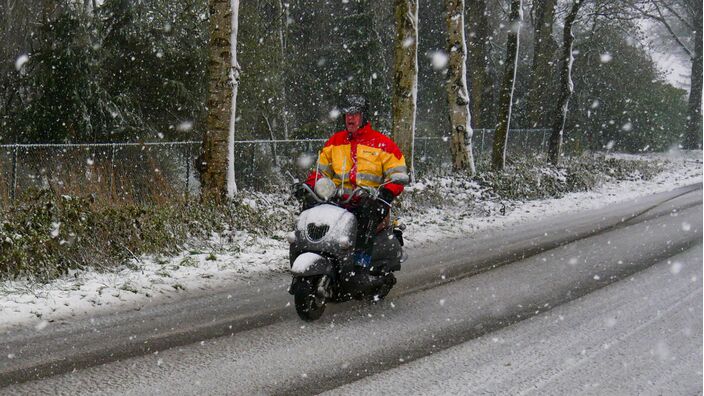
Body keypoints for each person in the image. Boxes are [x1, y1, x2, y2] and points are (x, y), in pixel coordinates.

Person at [305, 94, 408, 267]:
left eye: (355, 113)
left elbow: (398, 175)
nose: (350, 118)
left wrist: (386, 194)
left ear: (363, 116)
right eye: (347, 114)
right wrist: (308, 186)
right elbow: (320, 173)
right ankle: (313, 250)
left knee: (367, 212)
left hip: (370, 201)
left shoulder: (383, 144)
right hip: (337, 201)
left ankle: (361, 263)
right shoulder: (334, 143)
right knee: (310, 206)